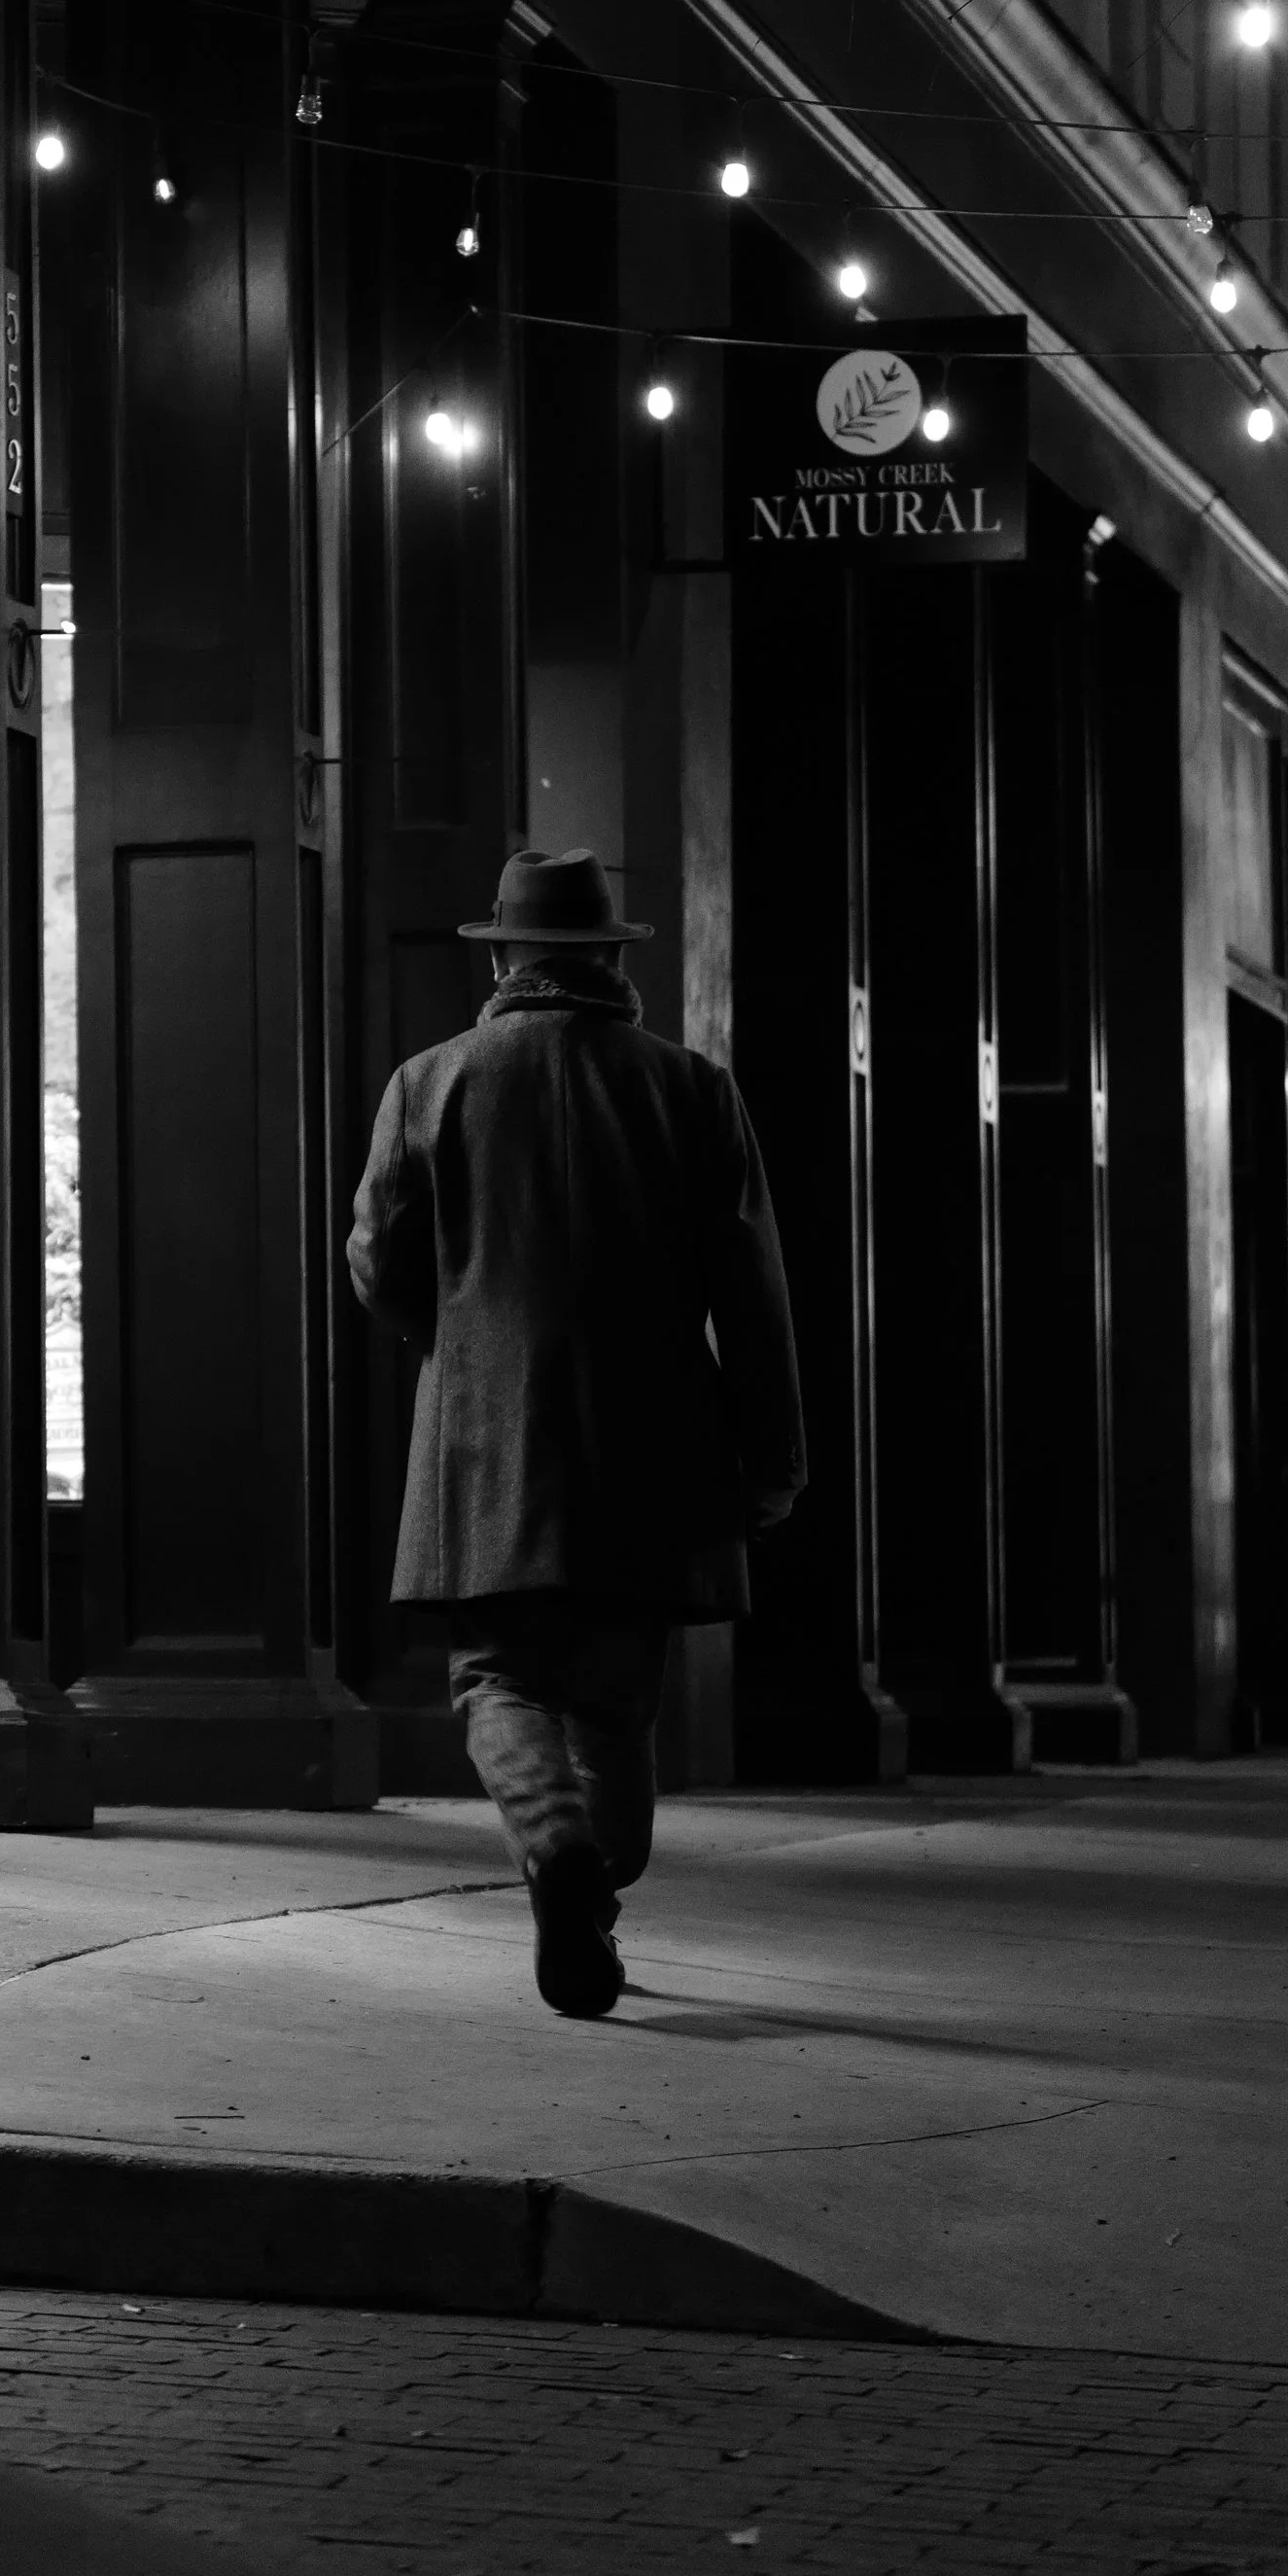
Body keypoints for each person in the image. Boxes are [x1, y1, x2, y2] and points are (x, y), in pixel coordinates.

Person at [346, 846, 804, 2019]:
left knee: (496, 1671)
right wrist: (770, 1459)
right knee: (613, 1693)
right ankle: (596, 1874)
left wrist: (456, 1342)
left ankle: (556, 1852)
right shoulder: (691, 1088)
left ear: (501, 954)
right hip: (652, 1450)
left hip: (486, 1441)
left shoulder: (429, 1081)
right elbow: (751, 1291)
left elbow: (377, 1262)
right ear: (609, 956)